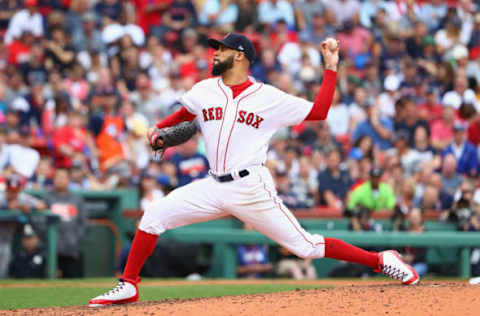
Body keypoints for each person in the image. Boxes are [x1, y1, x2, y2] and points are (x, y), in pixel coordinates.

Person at [89, 33, 419, 307]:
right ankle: (129, 284)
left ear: (240, 57)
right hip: (212, 185)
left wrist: (331, 68)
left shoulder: (268, 97)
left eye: (222, 49)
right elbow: (184, 115)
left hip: (250, 187)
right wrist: (158, 129)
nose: (214, 53)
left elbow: (318, 112)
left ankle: (381, 260)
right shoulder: (204, 90)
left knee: (306, 247)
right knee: (153, 216)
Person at [43, 168, 88, 278]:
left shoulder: (77, 198)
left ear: (68, 180)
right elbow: (40, 221)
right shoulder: (47, 197)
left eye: (63, 177)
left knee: (75, 282)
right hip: (52, 248)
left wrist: (75, 239)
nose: (60, 180)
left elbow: (83, 222)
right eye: (57, 177)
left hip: (73, 249)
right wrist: (48, 239)